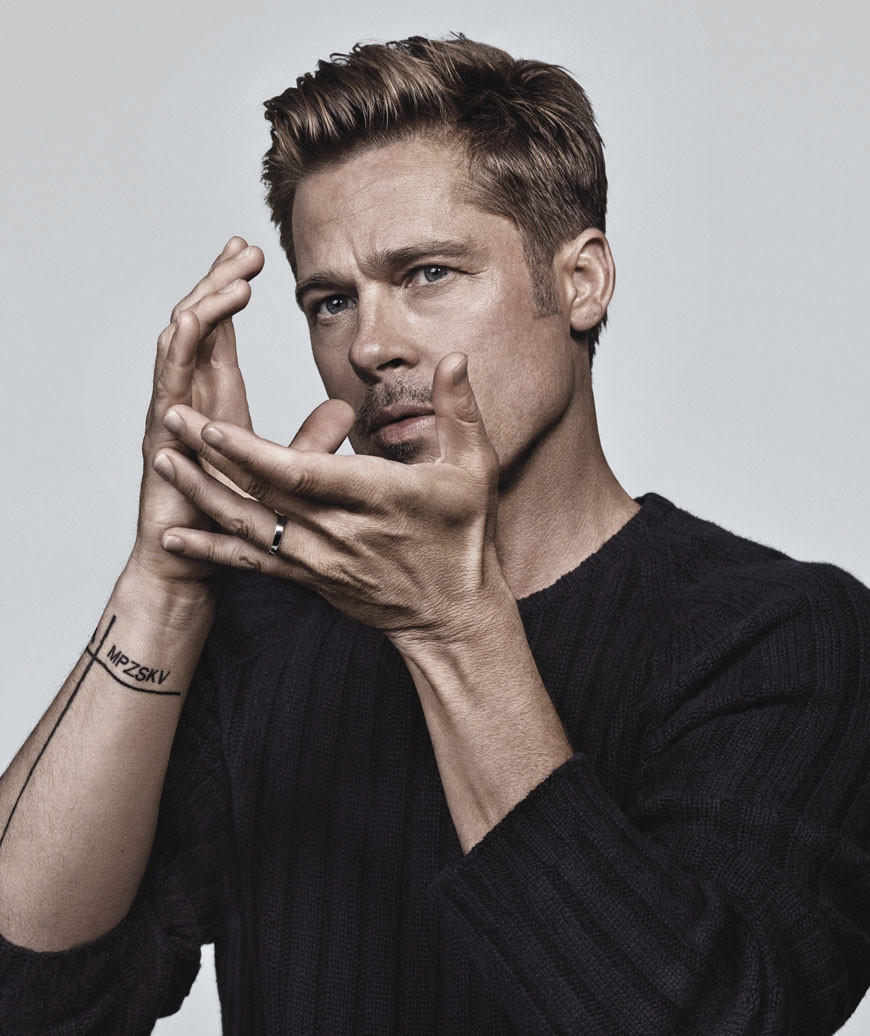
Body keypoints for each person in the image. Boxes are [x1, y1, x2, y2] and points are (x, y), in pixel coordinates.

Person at [1, 33, 869, 1036]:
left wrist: (453, 629)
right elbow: (29, 1001)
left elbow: (713, 1019)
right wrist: (169, 581)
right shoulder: (269, 637)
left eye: (427, 274)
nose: (371, 346)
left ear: (581, 281)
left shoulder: (782, 639)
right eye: (332, 301)